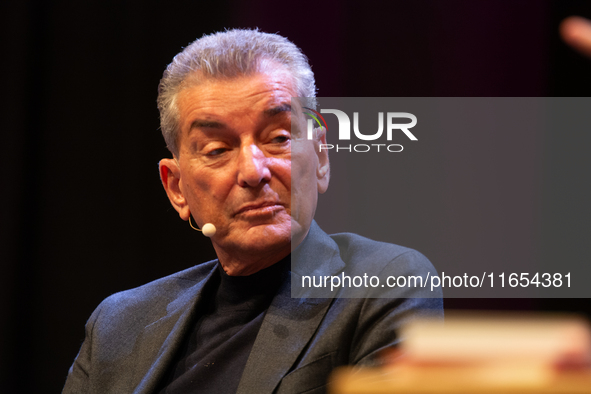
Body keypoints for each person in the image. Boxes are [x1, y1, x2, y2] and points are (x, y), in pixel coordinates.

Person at [63, 29, 442, 394]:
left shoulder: (383, 282)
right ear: (176, 188)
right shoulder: (118, 324)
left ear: (321, 156)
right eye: (216, 149)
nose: (253, 170)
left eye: (278, 138)